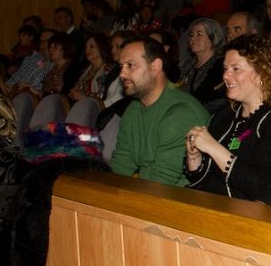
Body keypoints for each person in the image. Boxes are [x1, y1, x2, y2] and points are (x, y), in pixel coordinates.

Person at [185, 35, 271, 204]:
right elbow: (199, 178)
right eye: (225, 68)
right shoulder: (226, 114)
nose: (226, 75)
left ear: (263, 73)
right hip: (208, 205)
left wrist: (214, 148)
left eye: (236, 69)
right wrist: (193, 155)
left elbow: (262, 186)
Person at [110, 37, 210, 185]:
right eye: (121, 66)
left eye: (130, 65)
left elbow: (162, 182)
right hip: (148, 191)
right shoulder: (134, 109)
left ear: (155, 67)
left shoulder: (181, 114)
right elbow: (120, 165)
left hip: (179, 200)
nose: (122, 74)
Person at [180, 18, 227, 112]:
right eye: (192, 35)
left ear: (213, 37)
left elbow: (214, 101)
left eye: (199, 34)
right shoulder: (189, 64)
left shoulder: (220, 66)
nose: (193, 38)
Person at [69, 33, 120, 104]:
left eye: (91, 46)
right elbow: (76, 87)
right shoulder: (86, 68)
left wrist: (84, 97)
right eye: (86, 47)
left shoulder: (109, 68)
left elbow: (103, 96)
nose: (87, 49)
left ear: (101, 48)